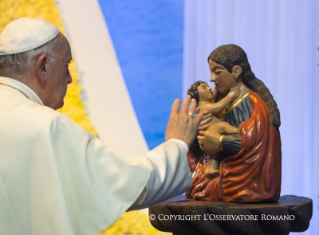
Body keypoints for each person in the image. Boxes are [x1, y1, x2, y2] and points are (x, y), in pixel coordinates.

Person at [0, 18, 202, 235]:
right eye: (66, 65)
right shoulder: (44, 126)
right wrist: (178, 144)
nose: (69, 79)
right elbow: (130, 184)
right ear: (43, 66)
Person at [186, 44, 281, 203]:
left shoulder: (254, 104)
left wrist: (220, 142)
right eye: (211, 73)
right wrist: (196, 135)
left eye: (217, 72)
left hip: (246, 179)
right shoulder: (218, 101)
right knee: (195, 181)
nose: (211, 79)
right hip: (216, 175)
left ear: (236, 71)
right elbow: (198, 149)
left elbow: (258, 145)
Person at [187, 81, 241, 178]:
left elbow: (215, 99)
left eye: (209, 87)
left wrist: (215, 90)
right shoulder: (204, 107)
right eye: (204, 87)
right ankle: (237, 131)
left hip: (209, 136)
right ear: (197, 96)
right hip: (212, 132)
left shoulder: (206, 106)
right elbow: (218, 106)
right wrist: (230, 96)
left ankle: (211, 168)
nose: (209, 88)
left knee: (213, 154)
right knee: (223, 125)